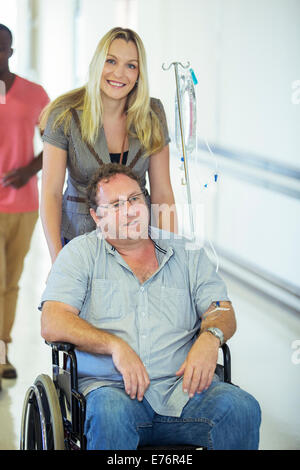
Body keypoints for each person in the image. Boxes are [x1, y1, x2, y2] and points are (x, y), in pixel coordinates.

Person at [40, 163, 261, 450]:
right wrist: (115, 346)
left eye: (134, 199)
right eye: (116, 204)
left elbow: (221, 309)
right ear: (97, 216)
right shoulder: (80, 255)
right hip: (113, 393)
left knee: (241, 407)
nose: (130, 210)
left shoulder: (187, 254)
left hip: (184, 392)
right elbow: (53, 321)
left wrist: (211, 337)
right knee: (109, 412)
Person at [40, 27, 177, 265]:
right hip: (79, 240)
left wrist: (169, 253)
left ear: (139, 74)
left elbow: (163, 192)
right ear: (97, 64)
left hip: (137, 241)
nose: (119, 73)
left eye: (131, 65)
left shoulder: (153, 114)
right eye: (111, 61)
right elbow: (50, 193)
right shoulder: (65, 115)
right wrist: (57, 257)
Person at [0, 24, 49, 382]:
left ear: (11, 52)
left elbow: (56, 143)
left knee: (12, 282)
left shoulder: (35, 94)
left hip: (23, 205)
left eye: (0, 48)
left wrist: (28, 170)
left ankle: (3, 350)